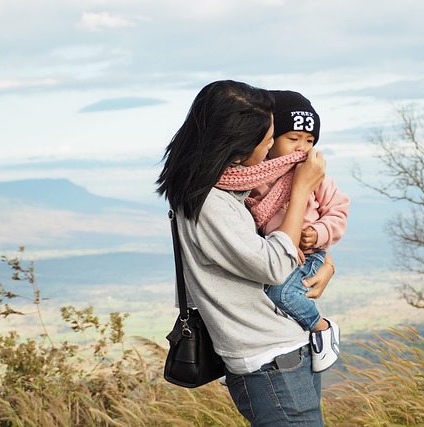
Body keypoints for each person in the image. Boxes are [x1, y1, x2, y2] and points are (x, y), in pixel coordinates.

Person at [156, 80, 334, 426]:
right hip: (269, 363)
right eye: (267, 138)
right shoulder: (209, 203)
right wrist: (300, 190)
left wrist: (325, 262)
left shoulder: (230, 191)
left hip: (285, 354)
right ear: (238, 143)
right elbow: (273, 265)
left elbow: (272, 243)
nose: (272, 145)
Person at [240, 90, 349, 373]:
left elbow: (338, 210)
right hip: (277, 253)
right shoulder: (256, 177)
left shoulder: (315, 173)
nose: (302, 147)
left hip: (309, 254)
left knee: (283, 296)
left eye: (310, 140)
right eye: (293, 138)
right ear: (270, 138)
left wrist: (319, 232)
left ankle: (322, 328)